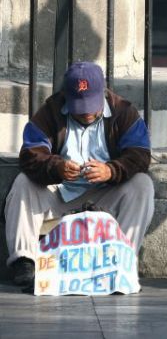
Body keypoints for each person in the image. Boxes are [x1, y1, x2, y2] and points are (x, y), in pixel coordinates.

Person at [5, 61, 154, 287]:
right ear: (66, 96)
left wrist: (111, 170)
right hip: (59, 194)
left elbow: (140, 155)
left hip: (105, 192)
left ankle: (121, 260)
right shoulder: (50, 112)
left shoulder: (124, 112)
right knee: (23, 183)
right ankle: (24, 261)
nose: (85, 113)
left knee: (142, 185)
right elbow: (30, 154)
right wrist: (57, 168)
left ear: (103, 93)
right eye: (79, 107)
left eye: (91, 106)